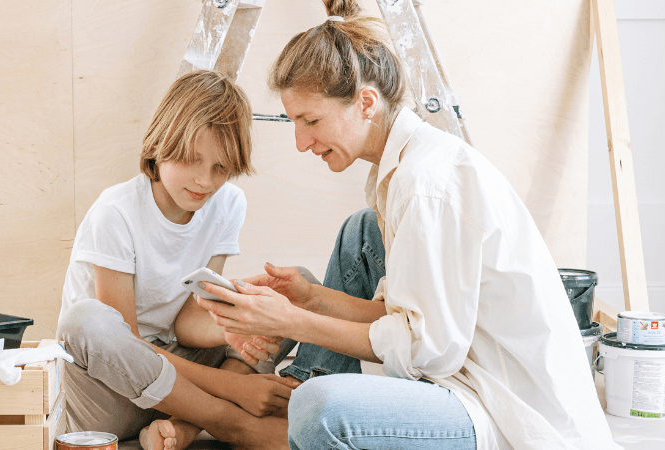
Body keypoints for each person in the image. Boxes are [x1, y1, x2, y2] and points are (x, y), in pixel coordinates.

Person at [192, 1, 623, 449]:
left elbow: (426, 350)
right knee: (359, 232)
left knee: (319, 410)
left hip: (503, 409)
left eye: (311, 121)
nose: (301, 142)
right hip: (463, 367)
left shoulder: (425, 185)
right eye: (294, 122)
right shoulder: (403, 170)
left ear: (366, 103)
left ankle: (297, 420)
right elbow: (409, 319)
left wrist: (292, 322)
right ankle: (300, 408)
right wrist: (311, 298)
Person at [55, 69, 297, 450]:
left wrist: (235, 322)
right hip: (113, 391)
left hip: (180, 375)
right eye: (191, 160)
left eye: (220, 167)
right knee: (85, 322)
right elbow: (126, 342)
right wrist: (235, 386)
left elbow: (188, 322)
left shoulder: (227, 203)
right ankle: (230, 422)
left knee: (296, 288)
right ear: (161, 143)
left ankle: (182, 425)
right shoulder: (115, 213)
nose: (204, 181)